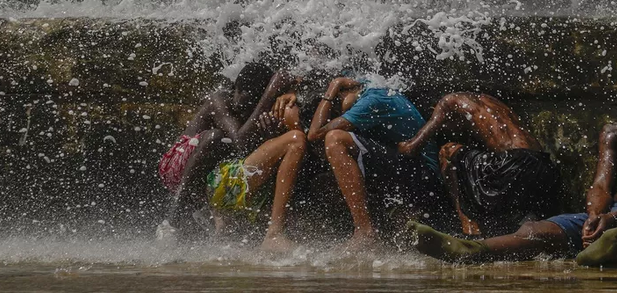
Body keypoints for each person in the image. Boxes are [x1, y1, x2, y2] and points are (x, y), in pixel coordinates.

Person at [409, 44, 617, 266]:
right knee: (535, 229)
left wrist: (613, 219)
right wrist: (594, 215)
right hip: (608, 214)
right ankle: (471, 249)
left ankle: (606, 247)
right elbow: (601, 184)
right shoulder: (616, 131)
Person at [156, 62, 301, 247]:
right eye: (245, 97)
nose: (249, 108)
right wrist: (268, 97)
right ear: (235, 89)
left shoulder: (257, 106)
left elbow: (245, 151)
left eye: (256, 101)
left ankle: (214, 219)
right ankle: (175, 217)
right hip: (178, 166)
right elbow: (239, 142)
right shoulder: (219, 100)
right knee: (216, 137)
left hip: (215, 172)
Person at [306, 76, 449, 248]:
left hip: (425, 178)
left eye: (338, 100)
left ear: (349, 88)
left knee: (335, 139)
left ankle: (365, 232)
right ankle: (382, 227)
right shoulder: (373, 90)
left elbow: (315, 135)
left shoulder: (374, 99)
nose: (338, 109)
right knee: (323, 182)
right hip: (409, 172)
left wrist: (332, 88)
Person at [397, 92, 561, 236]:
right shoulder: (486, 102)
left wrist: (395, 145)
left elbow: (412, 148)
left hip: (512, 164)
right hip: (544, 166)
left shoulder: (447, 102)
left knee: (447, 150)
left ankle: (469, 228)